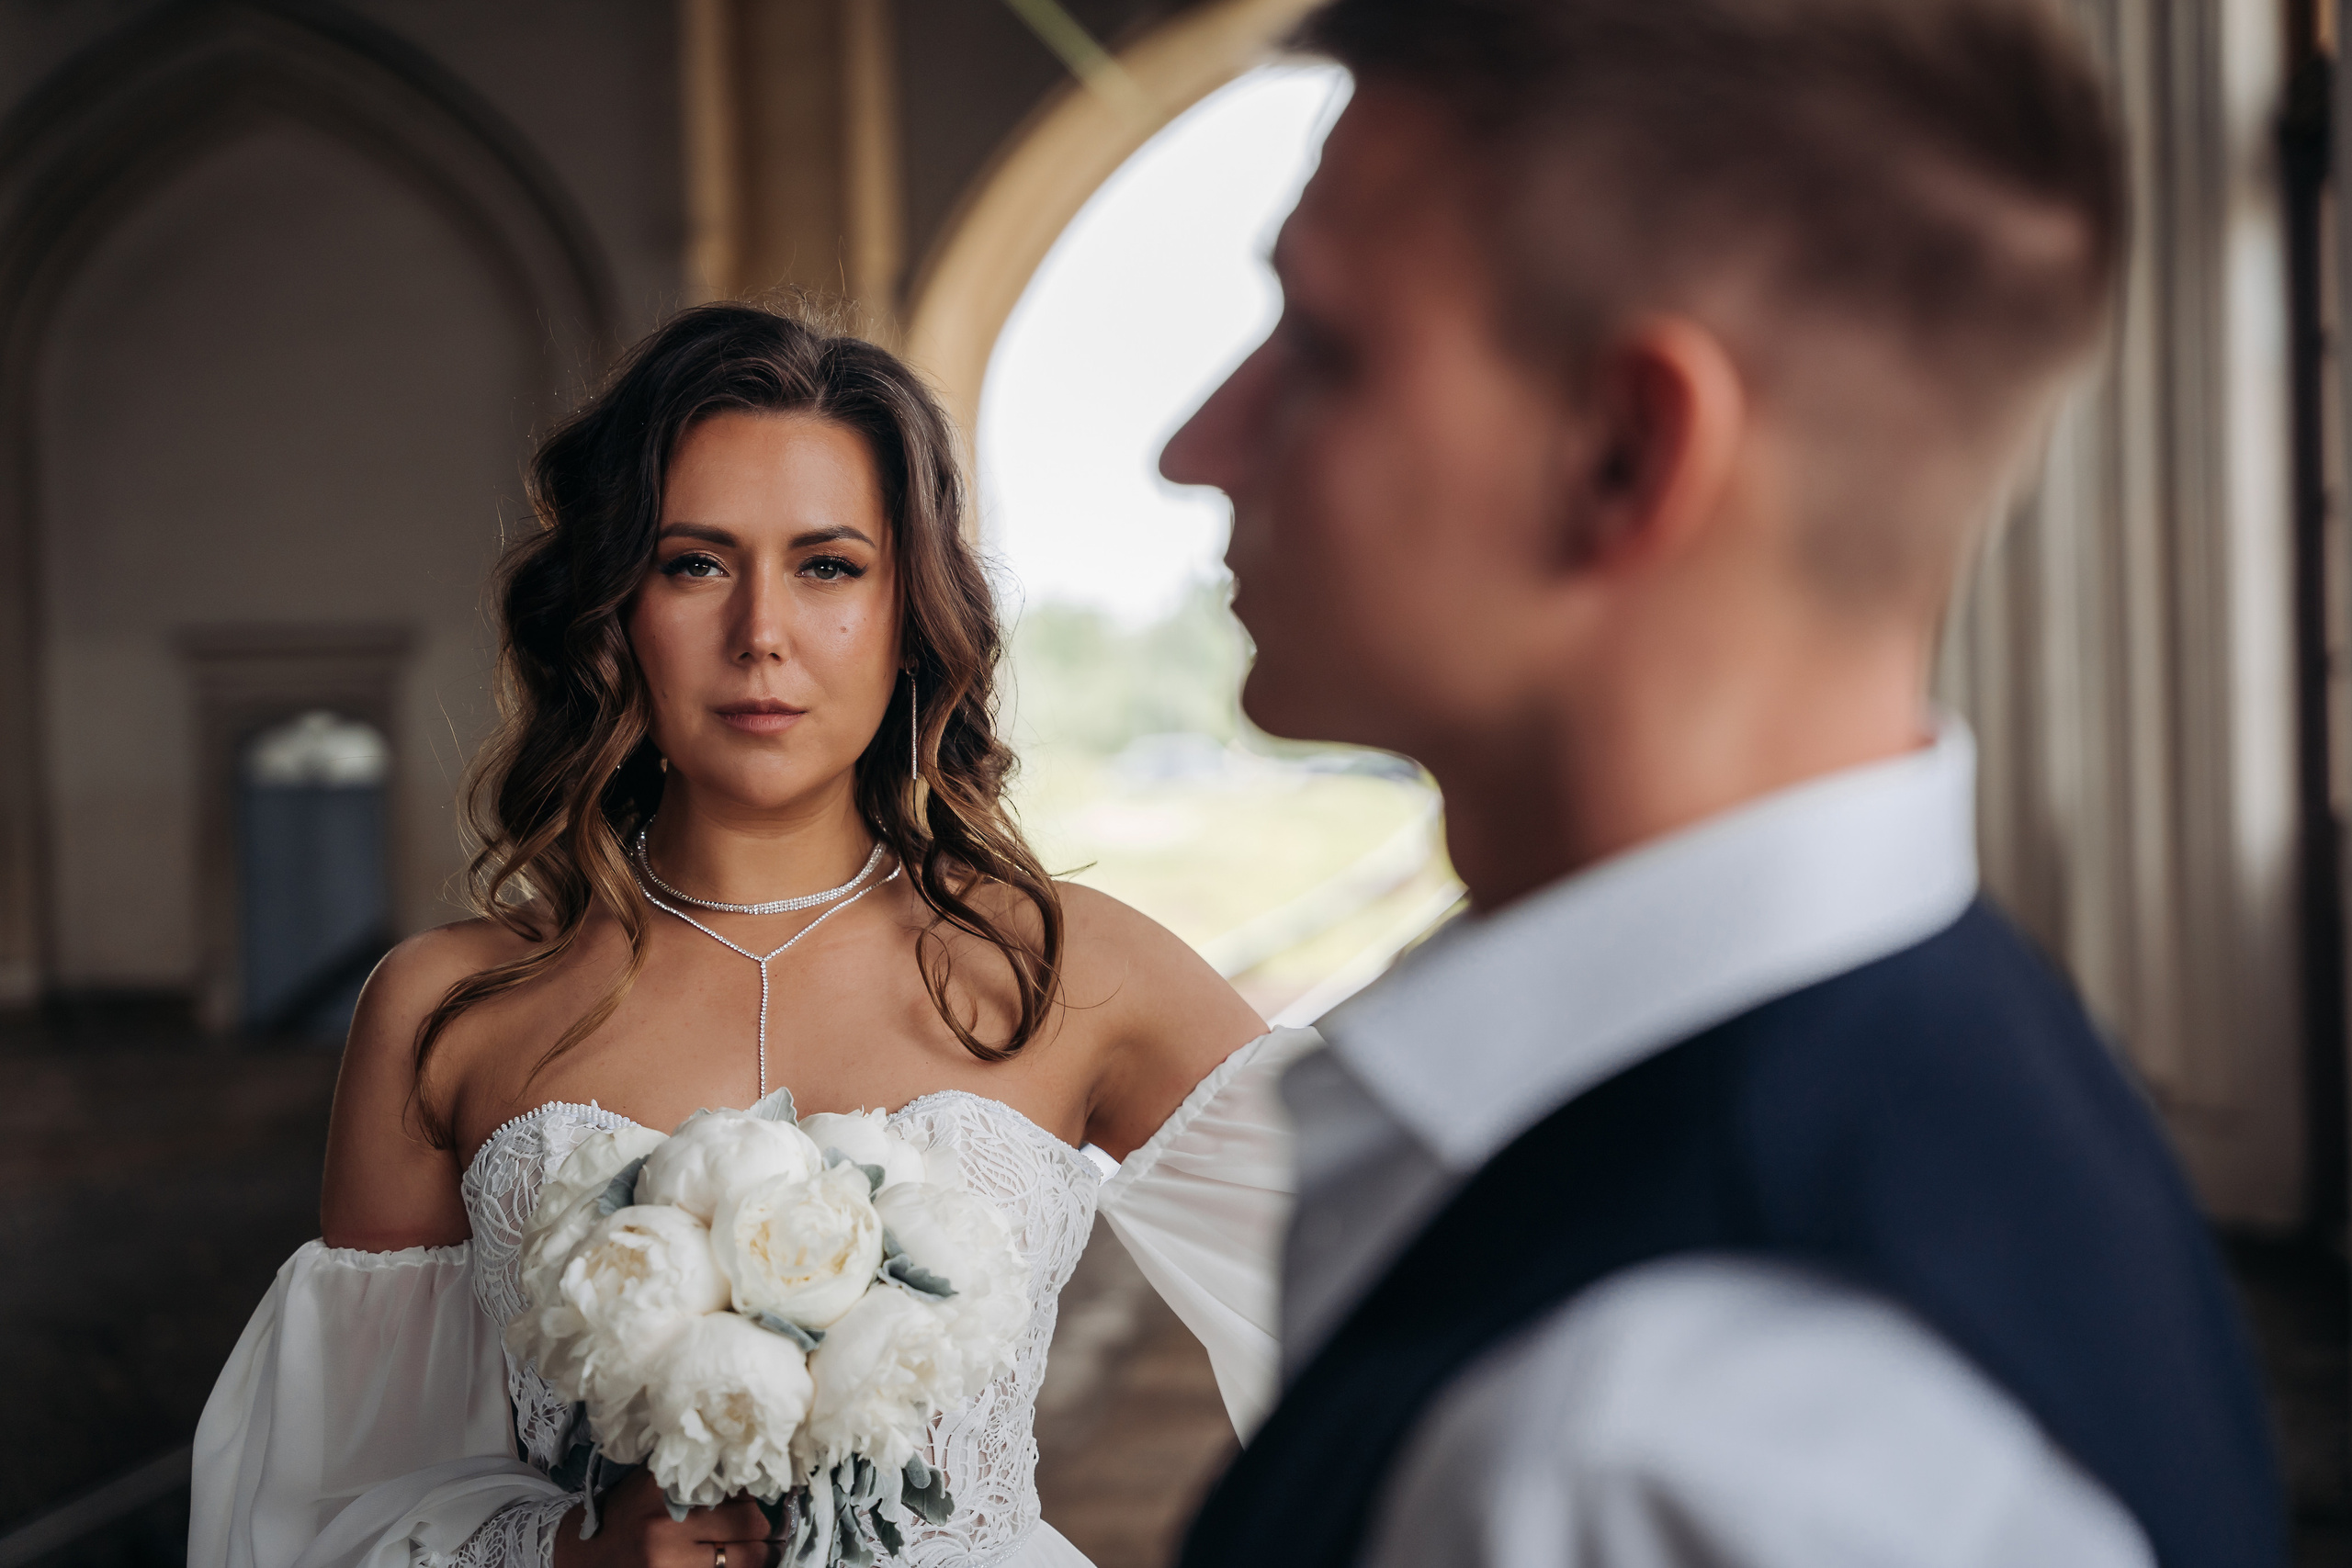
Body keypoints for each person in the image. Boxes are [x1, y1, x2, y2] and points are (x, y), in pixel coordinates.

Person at [1163, 1, 2285, 1565]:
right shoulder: (1950, 1043)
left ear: (1622, 454)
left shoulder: (1648, 1455)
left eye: (1327, 350)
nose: (1195, 443)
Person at [188, 304, 1316, 1568]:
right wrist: (568, 1555)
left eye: (828, 565)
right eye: (695, 563)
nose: (761, 633)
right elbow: (326, 1512)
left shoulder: (1071, 973)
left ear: (909, 615)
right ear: (613, 615)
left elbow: (1423, 1297)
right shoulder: (449, 1008)